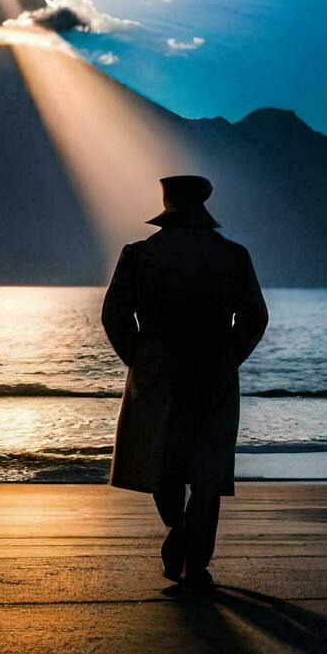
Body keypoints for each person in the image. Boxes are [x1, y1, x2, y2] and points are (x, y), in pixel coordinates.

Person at [101, 175, 268, 593]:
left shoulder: (139, 256)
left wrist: (139, 359)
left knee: (165, 465)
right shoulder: (234, 256)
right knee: (207, 473)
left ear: (166, 206)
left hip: (157, 374)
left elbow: (114, 317)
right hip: (214, 371)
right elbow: (255, 318)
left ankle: (178, 530)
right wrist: (230, 356)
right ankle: (196, 561)